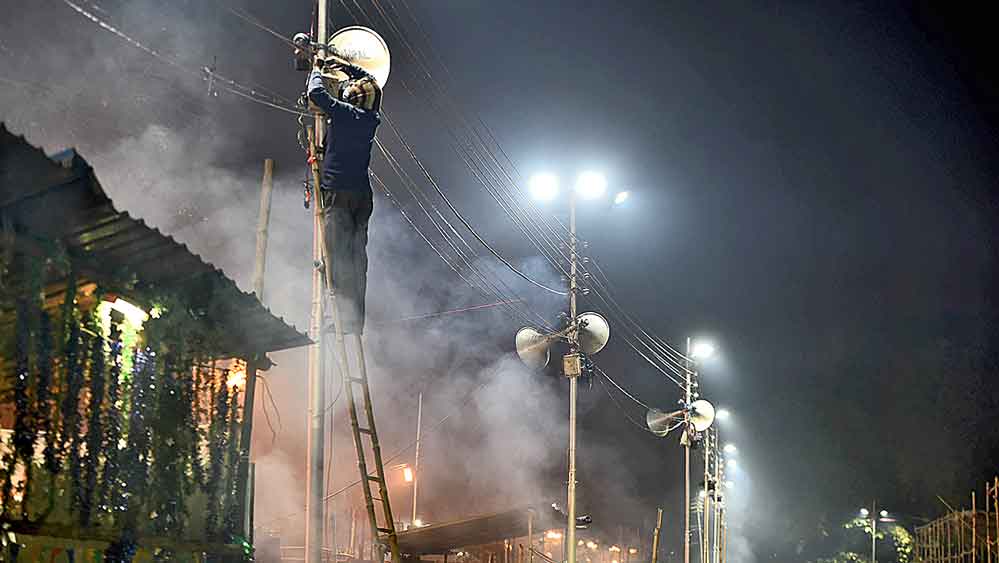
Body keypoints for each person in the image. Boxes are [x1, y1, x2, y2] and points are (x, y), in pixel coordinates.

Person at [307, 59, 382, 335]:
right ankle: (355, 322)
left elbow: (316, 94)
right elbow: (372, 83)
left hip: (338, 196)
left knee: (337, 259)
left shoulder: (342, 113)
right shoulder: (372, 118)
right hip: (362, 197)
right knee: (356, 259)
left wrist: (317, 69)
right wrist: (345, 66)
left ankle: (337, 320)